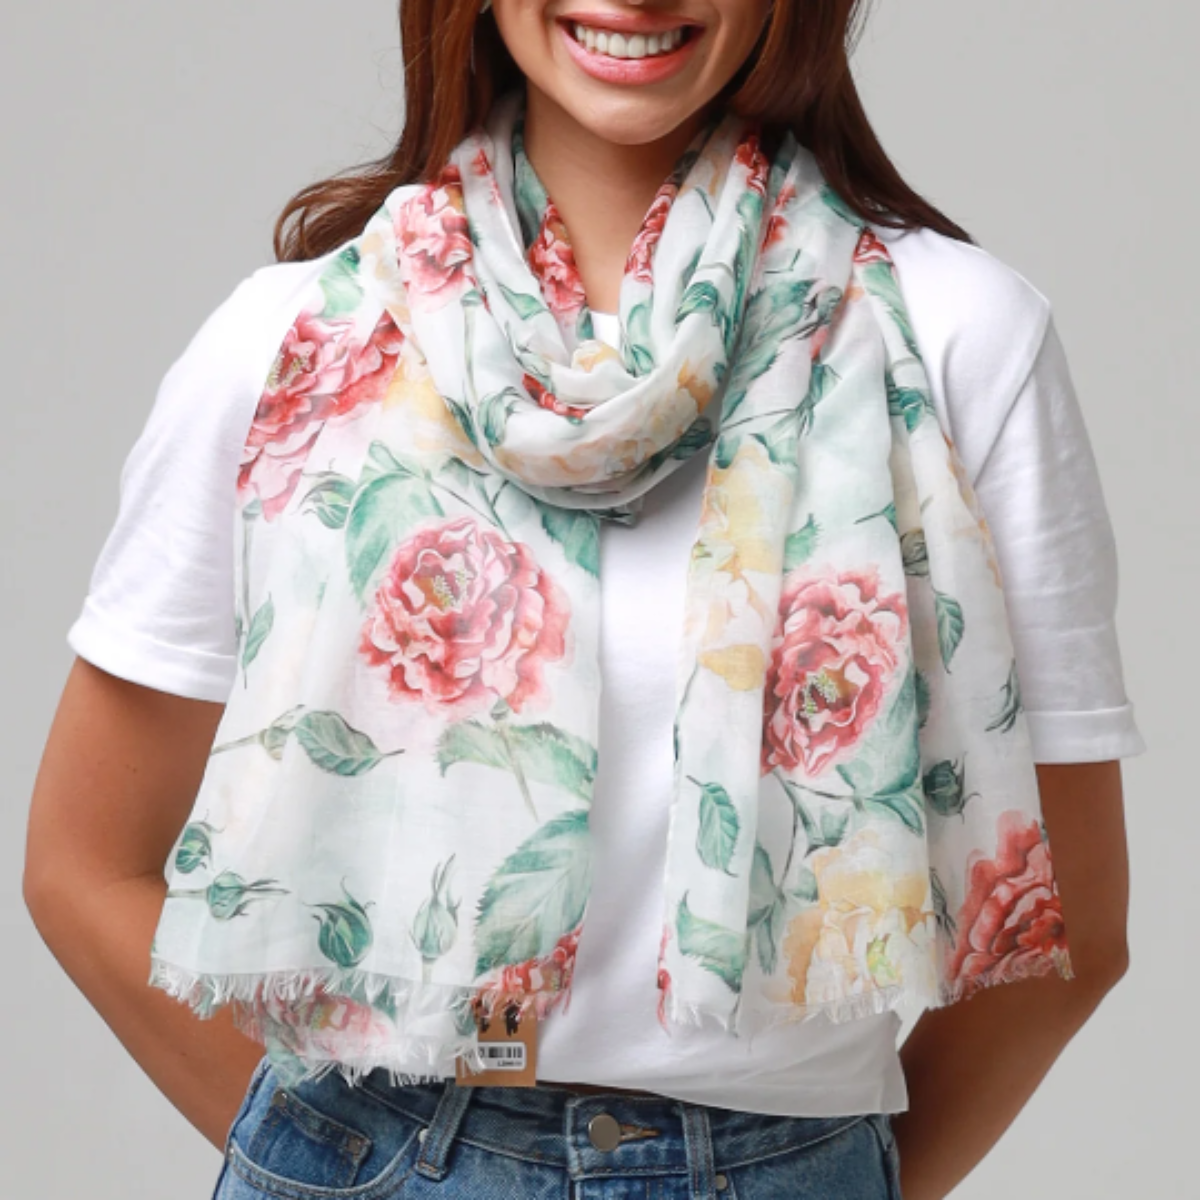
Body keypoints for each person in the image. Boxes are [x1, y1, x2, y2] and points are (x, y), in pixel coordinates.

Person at [23, 0, 1145, 1197]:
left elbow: (1069, 923)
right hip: (372, 1144)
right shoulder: (292, 339)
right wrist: (334, 1169)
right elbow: (81, 863)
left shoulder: (956, 336)